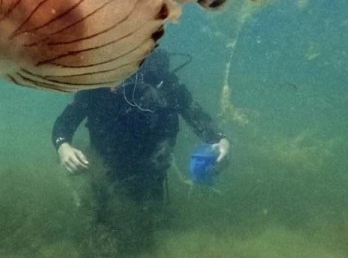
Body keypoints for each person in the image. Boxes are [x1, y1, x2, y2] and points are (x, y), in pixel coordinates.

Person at [51, 49, 229, 255]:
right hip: (106, 172)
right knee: (102, 233)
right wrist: (63, 147)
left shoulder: (166, 84)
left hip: (150, 175)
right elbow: (64, 124)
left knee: (148, 235)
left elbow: (197, 116)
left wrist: (221, 141)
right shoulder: (97, 86)